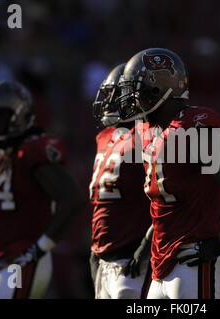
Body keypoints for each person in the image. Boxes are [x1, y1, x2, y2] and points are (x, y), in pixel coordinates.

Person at [117, 48, 220, 299]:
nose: (131, 99)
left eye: (135, 90)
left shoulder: (191, 127)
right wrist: (145, 244)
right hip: (164, 260)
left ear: (157, 89)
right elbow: (168, 204)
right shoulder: (151, 132)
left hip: (196, 255)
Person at [0, 81, 86, 299]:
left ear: (18, 115)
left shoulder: (31, 151)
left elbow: (72, 198)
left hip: (19, 259)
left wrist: (41, 246)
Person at [89, 64, 152, 299]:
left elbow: (168, 198)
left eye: (114, 96)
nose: (107, 104)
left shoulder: (150, 136)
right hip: (105, 259)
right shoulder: (104, 137)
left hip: (133, 258)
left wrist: (146, 247)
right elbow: (101, 203)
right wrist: (95, 248)